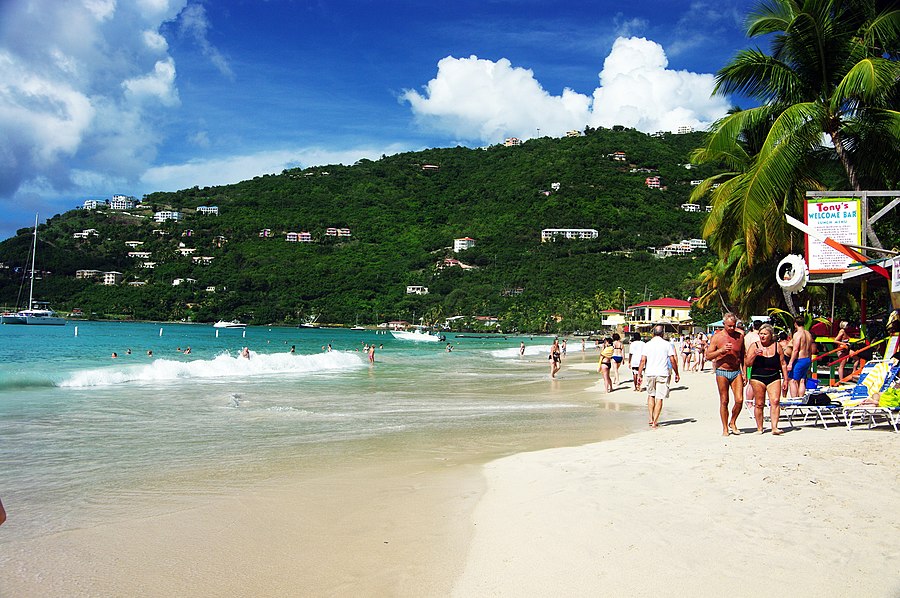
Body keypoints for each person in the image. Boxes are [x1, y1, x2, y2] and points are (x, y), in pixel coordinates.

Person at [706, 313, 746, 436]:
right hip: (722, 371)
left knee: (739, 400)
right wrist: (721, 350)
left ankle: (732, 422)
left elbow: (743, 355)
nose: (732, 328)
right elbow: (708, 356)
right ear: (724, 324)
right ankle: (725, 428)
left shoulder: (740, 336)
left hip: (736, 371)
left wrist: (744, 372)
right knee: (724, 400)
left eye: (733, 326)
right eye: (729, 326)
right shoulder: (717, 337)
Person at [745, 323, 789, 435]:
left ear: (771, 335)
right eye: (760, 334)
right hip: (758, 377)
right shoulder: (754, 346)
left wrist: (786, 379)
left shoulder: (777, 346)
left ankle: (774, 427)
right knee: (759, 403)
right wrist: (754, 355)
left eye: (765, 334)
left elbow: (783, 363)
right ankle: (760, 427)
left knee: (775, 401)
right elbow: (747, 363)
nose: (762, 336)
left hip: (774, 376)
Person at [637, 325, 679, 428]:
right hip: (662, 373)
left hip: (650, 373)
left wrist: (639, 374)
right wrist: (676, 373)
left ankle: (651, 418)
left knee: (651, 395)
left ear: (653, 334)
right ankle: (655, 421)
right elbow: (672, 360)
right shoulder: (667, 344)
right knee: (659, 397)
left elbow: (643, 360)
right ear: (662, 334)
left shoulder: (647, 345)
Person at [787, 315, 814, 397]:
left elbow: (795, 350)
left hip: (800, 359)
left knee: (793, 380)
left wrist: (790, 363)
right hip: (807, 359)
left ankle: (794, 399)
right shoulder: (808, 334)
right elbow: (810, 349)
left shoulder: (797, 334)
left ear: (795, 324)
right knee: (802, 380)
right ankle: (801, 398)